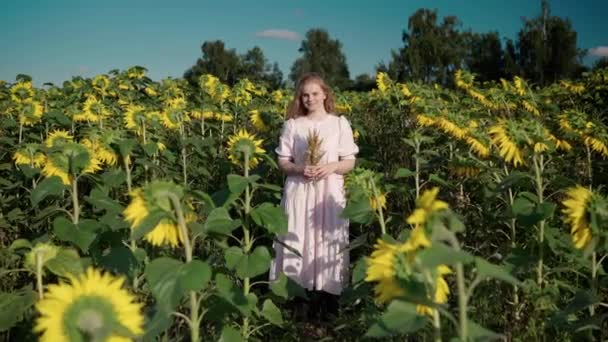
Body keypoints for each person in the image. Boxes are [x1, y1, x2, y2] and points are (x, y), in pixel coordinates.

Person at [269, 73, 359, 322]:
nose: (310, 99)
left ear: (325, 94)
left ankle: (327, 306)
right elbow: (283, 161)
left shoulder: (339, 123)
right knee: (298, 240)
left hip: (329, 191)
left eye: (315, 94)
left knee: (328, 240)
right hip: (300, 189)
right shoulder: (293, 125)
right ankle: (297, 304)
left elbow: (349, 161)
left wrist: (330, 167)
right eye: (305, 95)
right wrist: (300, 169)